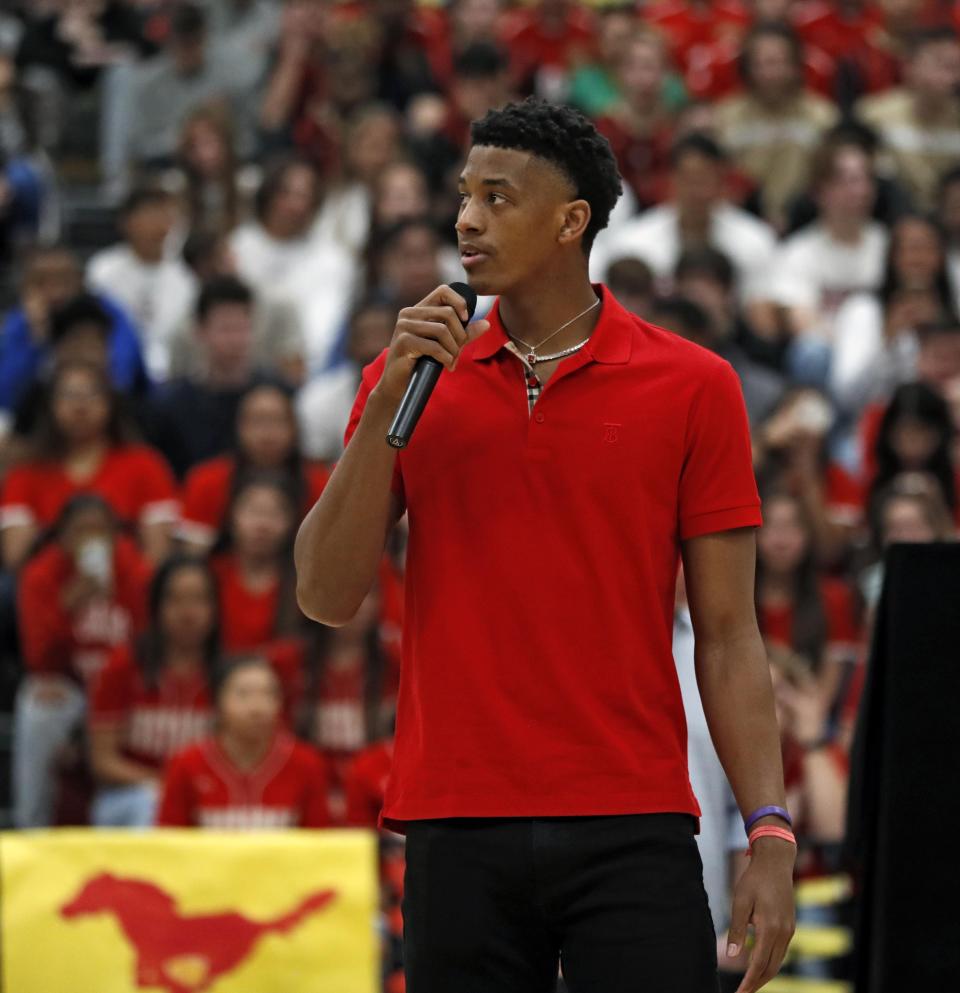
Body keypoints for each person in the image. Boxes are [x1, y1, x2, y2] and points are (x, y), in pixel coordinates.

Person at [295, 98, 795, 993]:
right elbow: (325, 595)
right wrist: (382, 409)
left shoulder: (694, 385)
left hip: (632, 816)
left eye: (497, 197)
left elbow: (728, 634)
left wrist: (768, 828)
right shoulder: (407, 378)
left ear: (571, 223)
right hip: (455, 819)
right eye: (463, 196)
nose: (465, 219)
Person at [12, 494, 151, 827]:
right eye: (80, 531)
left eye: (100, 531)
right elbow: (38, 657)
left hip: (125, 688)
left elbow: (148, 643)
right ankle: (31, 828)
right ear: (62, 536)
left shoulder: (135, 570)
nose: (91, 541)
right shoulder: (41, 574)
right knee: (37, 707)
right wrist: (69, 602)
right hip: (71, 685)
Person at [0, 360, 178, 569]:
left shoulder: (146, 464)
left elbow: (158, 555)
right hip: (49, 588)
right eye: (69, 394)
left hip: (127, 586)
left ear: (110, 402)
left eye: (91, 393)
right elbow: (14, 557)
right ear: (51, 405)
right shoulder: (26, 471)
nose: (80, 406)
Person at [87, 555, 218, 827]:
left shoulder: (226, 673)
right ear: (156, 606)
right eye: (175, 600)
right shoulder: (124, 666)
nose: (188, 612)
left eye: (198, 600)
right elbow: (102, 760)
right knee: (152, 804)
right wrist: (162, 785)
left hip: (203, 796)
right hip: (128, 795)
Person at [590, 132, 777, 305]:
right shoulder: (634, 243)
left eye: (704, 179)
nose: (696, 191)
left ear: (722, 181)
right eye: (688, 179)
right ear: (672, 180)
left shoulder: (755, 240)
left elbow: (761, 311)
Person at [157, 654, 331, 828]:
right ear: (218, 701)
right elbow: (169, 842)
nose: (258, 707)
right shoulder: (186, 764)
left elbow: (320, 843)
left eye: (269, 693)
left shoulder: (307, 763)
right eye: (243, 694)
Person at [714, 23, 838, 231]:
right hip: (742, 224)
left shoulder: (823, 117)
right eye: (760, 64)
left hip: (808, 224)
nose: (769, 73)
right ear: (747, 67)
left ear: (795, 66)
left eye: (778, 63)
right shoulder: (725, 117)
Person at [180, 380, 329, 553]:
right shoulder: (206, 481)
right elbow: (192, 560)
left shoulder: (321, 484)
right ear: (239, 427)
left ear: (295, 428)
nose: (267, 433)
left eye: (278, 421)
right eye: (258, 421)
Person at [142, 275, 266, 479]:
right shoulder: (170, 405)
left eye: (242, 328)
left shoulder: (276, 394)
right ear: (199, 331)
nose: (235, 340)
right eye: (226, 329)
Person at [86, 185, 195, 381]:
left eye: (163, 216)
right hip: (114, 370)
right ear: (126, 222)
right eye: (148, 216)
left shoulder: (185, 279)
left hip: (170, 375)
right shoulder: (103, 269)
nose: (156, 225)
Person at [856, 26, 960, 211]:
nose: (952, 75)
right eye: (942, 63)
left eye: (956, 66)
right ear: (909, 66)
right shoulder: (873, 115)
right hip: (893, 218)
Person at [297, 297, 398, 463]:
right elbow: (316, 467)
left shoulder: (425, 390)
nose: (375, 347)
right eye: (366, 336)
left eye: (382, 334)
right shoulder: (319, 399)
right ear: (350, 344)